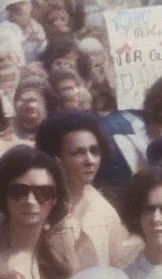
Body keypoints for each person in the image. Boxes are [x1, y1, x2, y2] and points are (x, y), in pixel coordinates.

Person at [0, 145, 97, 279]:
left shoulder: (68, 253)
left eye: (43, 193)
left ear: (54, 200)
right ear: (4, 195)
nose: (30, 201)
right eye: (19, 191)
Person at [34, 112, 126, 266]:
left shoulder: (105, 212)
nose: (90, 160)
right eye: (78, 153)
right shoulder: (36, 207)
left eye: (94, 151)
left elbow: (115, 269)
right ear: (56, 160)